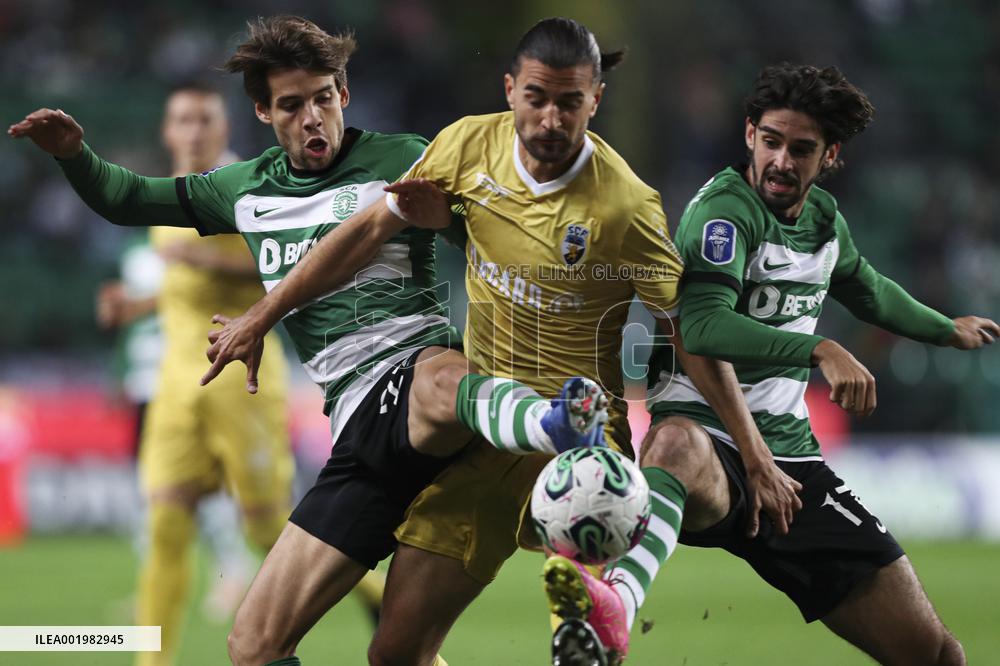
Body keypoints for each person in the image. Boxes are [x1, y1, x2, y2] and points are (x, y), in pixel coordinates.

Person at [8, 16, 611, 666]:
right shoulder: (242, 190)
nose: (313, 117)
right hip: (358, 434)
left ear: (344, 95)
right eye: (292, 105)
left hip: (425, 374)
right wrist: (75, 155)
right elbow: (129, 198)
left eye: (324, 97)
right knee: (255, 644)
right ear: (265, 111)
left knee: (437, 379)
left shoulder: (407, 156)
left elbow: (497, 238)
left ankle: (554, 422)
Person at [204, 18, 790, 666]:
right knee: (394, 655)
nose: (550, 118)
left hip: (580, 452)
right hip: (484, 441)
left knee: (587, 646)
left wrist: (755, 451)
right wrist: (264, 312)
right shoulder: (465, 149)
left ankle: (602, 604)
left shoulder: (626, 205)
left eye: (569, 102)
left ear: (594, 101)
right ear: (511, 91)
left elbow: (691, 332)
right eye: (536, 98)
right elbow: (370, 229)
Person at [545, 63, 999, 665]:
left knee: (938, 655)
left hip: (791, 465)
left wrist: (945, 329)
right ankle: (614, 609)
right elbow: (702, 328)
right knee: (674, 445)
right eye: (772, 141)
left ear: (829, 154)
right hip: (711, 446)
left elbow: (866, 287)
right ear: (749, 135)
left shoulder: (824, 223)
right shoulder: (722, 216)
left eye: (802, 149)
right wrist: (819, 350)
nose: (783, 161)